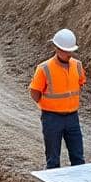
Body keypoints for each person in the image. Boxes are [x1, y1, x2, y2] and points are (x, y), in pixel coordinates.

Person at [30, 28, 86, 169]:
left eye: (70, 50)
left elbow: (80, 84)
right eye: (65, 50)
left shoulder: (77, 65)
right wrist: (50, 105)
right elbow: (35, 93)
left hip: (72, 117)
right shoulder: (44, 68)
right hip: (52, 118)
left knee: (78, 158)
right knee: (53, 160)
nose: (68, 54)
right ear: (56, 48)